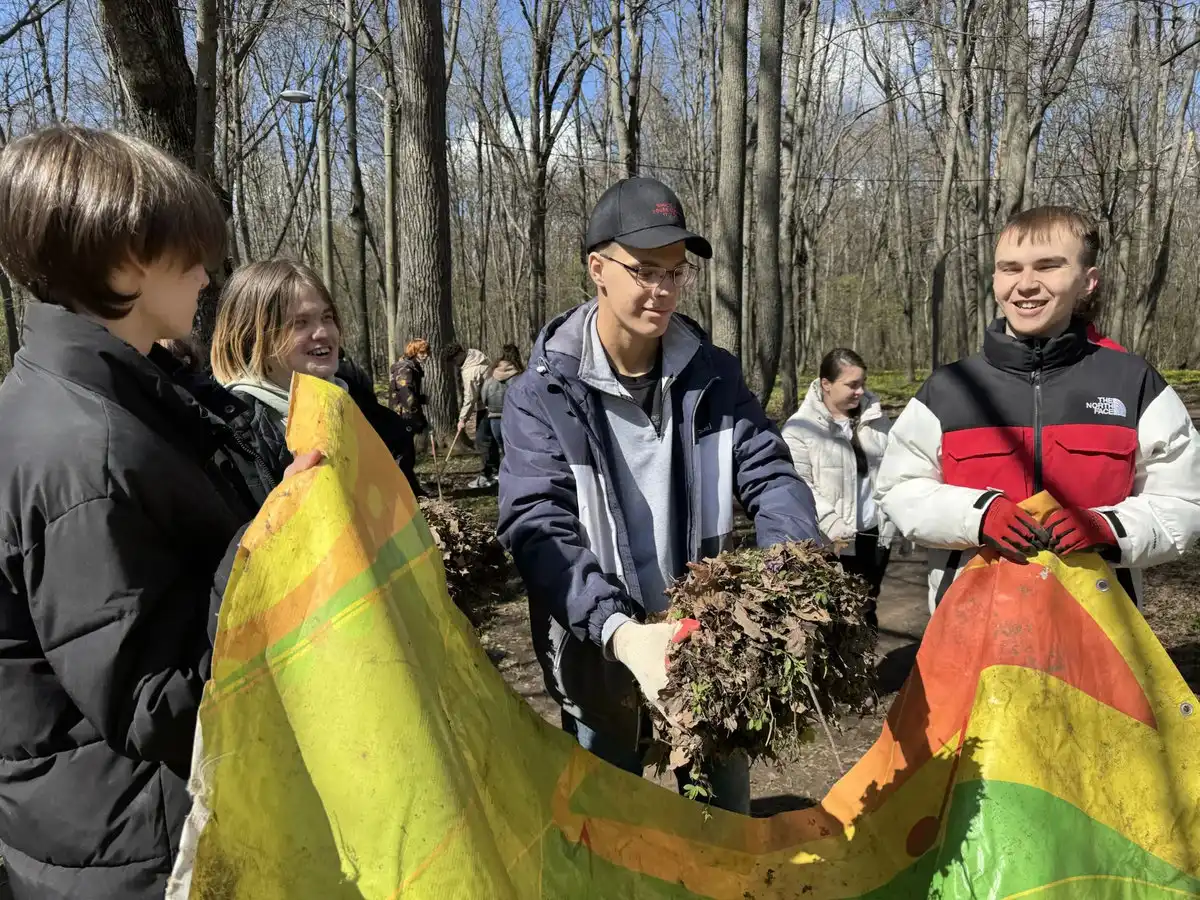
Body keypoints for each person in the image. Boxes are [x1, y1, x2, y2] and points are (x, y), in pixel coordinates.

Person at [0, 125, 319, 899]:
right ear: (122, 260)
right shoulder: (87, 451)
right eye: (190, 250)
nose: (209, 273)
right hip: (136, 853)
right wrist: (268, 541)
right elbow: (161, 702)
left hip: (110, 831)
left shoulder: (118, 395)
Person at [497, 176, 821, 814]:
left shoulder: (713, 374)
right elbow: (537, 524)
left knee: (722, 827)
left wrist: (789, 575)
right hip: (600, 654)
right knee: (615, 839)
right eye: (645, 270)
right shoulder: (541, 394)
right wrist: (618, 632)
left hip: (708, 648)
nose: (663, 290)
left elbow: (770, 473)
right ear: (598, 268)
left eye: (676, 273)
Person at [876, 205, 1200, 614]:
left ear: (1087, 281)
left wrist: (1107, 528)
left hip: (1099, 631)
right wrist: (979, 515)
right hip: (972, 631)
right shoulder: (949, 388)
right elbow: (897, 488)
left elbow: (1184, 502)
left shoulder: (1133, 383)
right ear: (995, 279)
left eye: (1048, 267)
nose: (1025, 284)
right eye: (1010, 269)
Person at [210, 259, 416, 491]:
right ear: (255, 335)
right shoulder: (227, 438)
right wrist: (285, 503)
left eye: (327, 318)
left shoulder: (368, 412)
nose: (323, 332)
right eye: (300, 323)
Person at [782, 348, 894, 628]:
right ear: (826, 384)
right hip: (831, 540)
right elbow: (800, 484)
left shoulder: (876, 420)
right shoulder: (800, 429)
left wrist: (897, 520)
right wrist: (831, 523)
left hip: (874, 533)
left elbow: (894, 470)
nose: (860, 391)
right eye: (852, 385)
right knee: (834, 615)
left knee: (867, 605)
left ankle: (867, 668)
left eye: (862, 384)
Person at [445, 342, 496, 489]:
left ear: (460, 355)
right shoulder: (479, 356)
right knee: (490, 439)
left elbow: (470, 397)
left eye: (455, 360)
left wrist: (463, 419)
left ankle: (487, 475)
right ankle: (495, 471)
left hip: (486, 407)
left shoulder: (471, 370)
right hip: (493, 405)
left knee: (481, 441)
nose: (455, 364)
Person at [389, 338, 432, 496]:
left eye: (427, 352)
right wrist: (417, 418)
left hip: (405, 415)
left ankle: (411, 489)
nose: (426, 355)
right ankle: (408, 491)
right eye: (422, 352)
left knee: (407, 454)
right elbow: (406, 395)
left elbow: (409, 393)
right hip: (403, 417)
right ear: (413, 352)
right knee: (405, 455)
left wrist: (421, 399)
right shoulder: (405, 369)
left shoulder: (410, 367)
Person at [480, 343, 524, 455]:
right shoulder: (519, 375)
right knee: (516, 449)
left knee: (503, 450)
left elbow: (484, 396)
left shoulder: (491, 374)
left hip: (494, 417)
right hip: (513, 417)